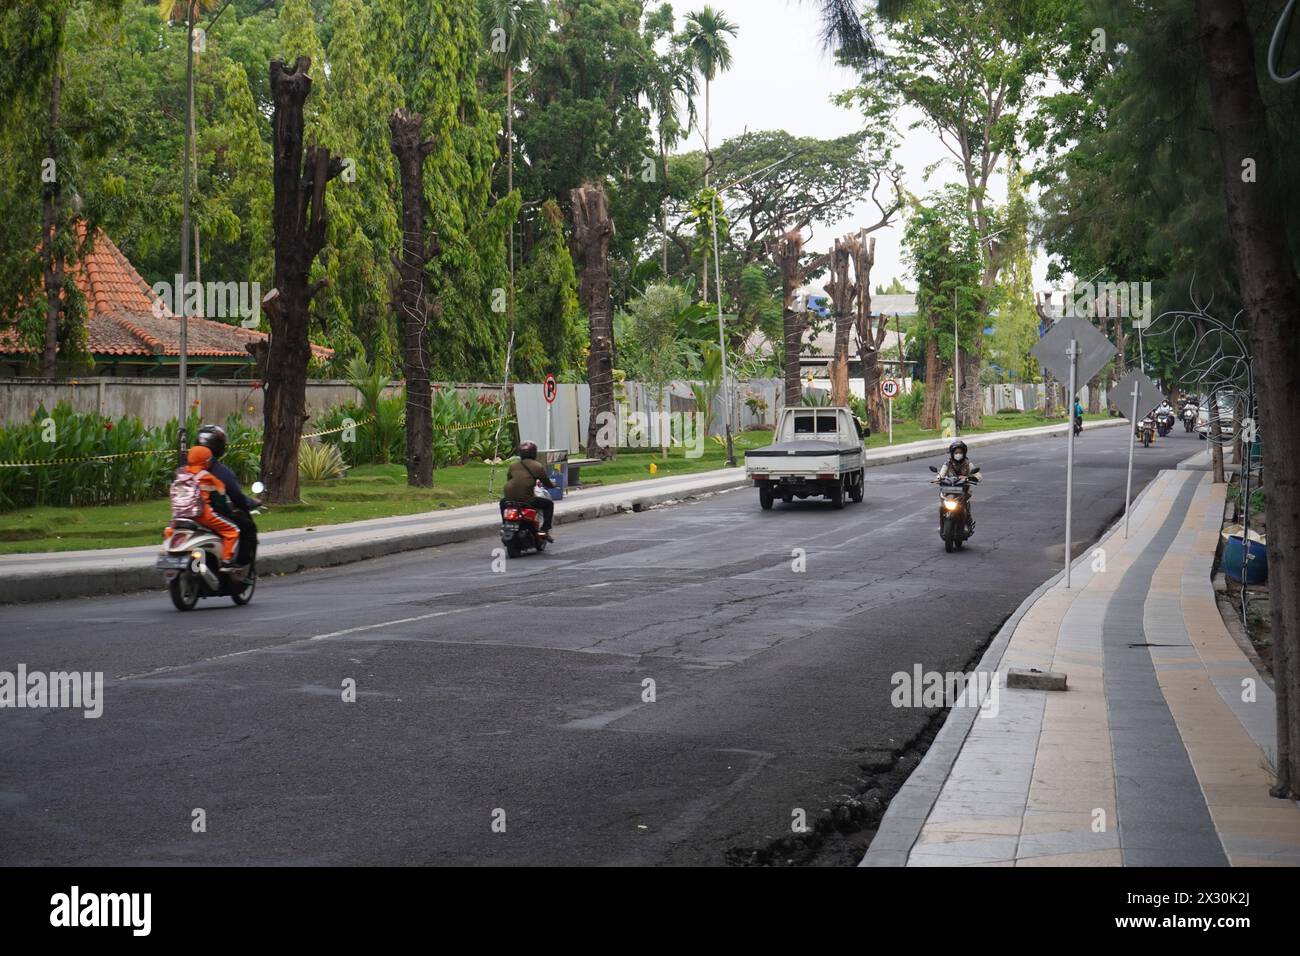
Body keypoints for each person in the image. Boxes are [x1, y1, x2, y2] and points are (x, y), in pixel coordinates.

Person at [197, 424, 260, 568]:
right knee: (247, 528)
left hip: (186, 516)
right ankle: (235, 565)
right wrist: (249, 502)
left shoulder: (185, 469)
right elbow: (236, 495)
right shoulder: (220, 472)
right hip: (210, 515)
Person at [176, 445, 241, 567]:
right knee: (232, 531)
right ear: (206, 462)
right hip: (202, 515)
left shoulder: (182, 474)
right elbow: (222, 491)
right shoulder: (205, 475)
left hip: (180, 515)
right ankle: (227, 560)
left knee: (170, 530)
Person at [501, 441, 555, 540]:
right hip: (526, 500)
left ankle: (505, 523)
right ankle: (545, 529)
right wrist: (553, 485)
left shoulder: (513, 466)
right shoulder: (537, 466)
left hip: (508, 498)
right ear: (534, 453)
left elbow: (509, 479)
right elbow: (546, 482)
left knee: (502, 503)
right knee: (549, 504)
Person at [936, 438, 980, 531]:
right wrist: (938, 479)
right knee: (941, 506)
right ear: (952, 453)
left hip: (963, 490)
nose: (958, 454)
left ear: (964, 453)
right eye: (956, 452)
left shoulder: (968, 463)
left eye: (960, 452)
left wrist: (969, 478)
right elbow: (941, 474)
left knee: (965, 506)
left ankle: (969, 522)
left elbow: (978, 476)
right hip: (948, 490)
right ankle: (942, 524)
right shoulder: (947, 463)